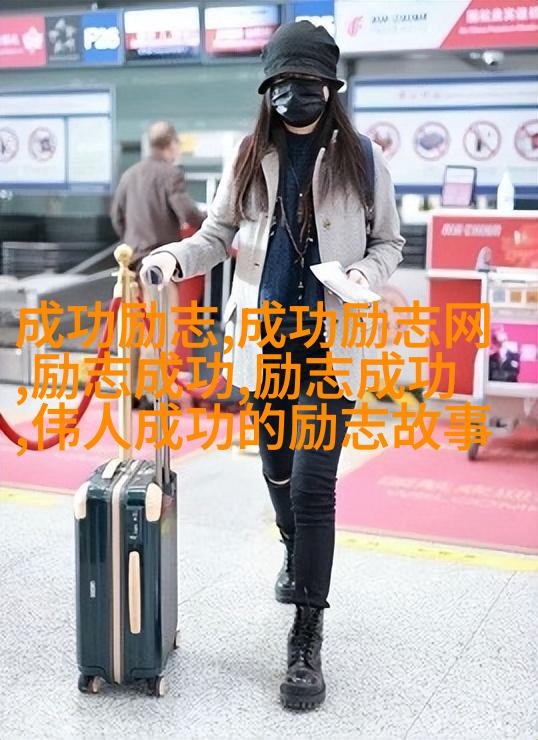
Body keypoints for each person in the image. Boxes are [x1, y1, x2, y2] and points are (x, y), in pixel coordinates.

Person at [140, 21, 404, 709]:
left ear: (330, 87)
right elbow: (216, 235)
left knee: (316, 488)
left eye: (306, 82)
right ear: (268, 89)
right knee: (277, 470)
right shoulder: (248, 153)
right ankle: (292, 544)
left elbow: (390, 243)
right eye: (282, 83)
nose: (294, 94)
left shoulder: (363, 158)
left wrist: (364, 274)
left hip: (329, 347)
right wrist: (171, 259)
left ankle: (306, 636)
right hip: (265, 345)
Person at [111, 121, 204, 409]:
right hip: (158, 267)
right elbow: (186, 211)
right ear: (171, 144)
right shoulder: (170, 173)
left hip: (129, 266)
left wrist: (132, 242)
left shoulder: (129, 174)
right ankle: (155, 396)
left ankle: (130, 394)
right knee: (160, 331)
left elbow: (116, 216)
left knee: (132, 333)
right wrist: (212, 224)